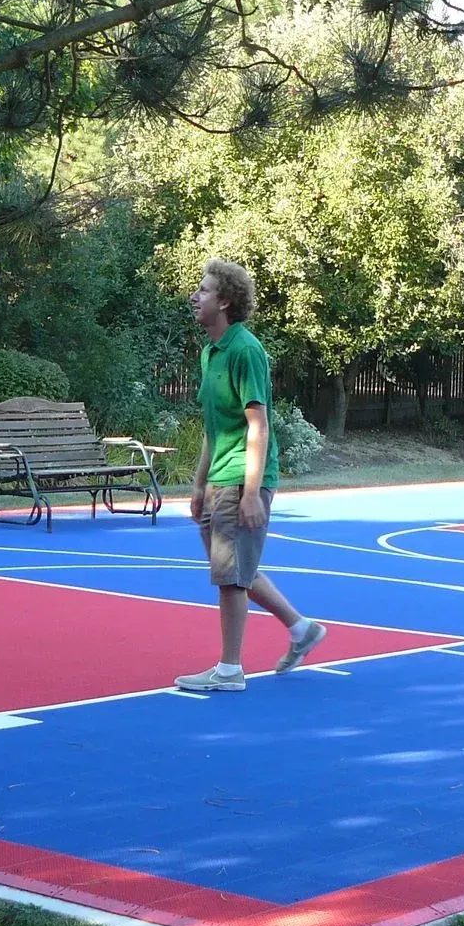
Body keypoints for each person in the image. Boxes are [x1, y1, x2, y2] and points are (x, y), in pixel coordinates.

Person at [174, 259, 327, 692]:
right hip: (221, 477)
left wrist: (251, 493)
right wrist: (199, 483)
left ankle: (229, 670)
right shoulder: (210, 352)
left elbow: (257, 425)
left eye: (203, 290)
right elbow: (215, 426)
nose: (195, 296)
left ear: (224, 301)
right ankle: (302, 629)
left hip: (242, 478)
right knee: (235, 569)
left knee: (230, 577)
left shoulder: (245, 350)